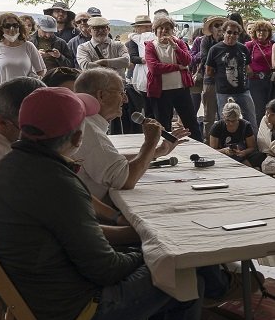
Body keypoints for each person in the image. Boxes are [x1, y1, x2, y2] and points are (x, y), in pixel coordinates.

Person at [0, 86, 243, 320]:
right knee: (182, 275)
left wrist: (142, 243)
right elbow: (107, 270)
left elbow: (76, 239)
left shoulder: (7, 169)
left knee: (157, 259)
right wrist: (156, 251)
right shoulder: (56, 181)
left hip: (28, 310)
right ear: (77, 137)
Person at [72, 68, 183, 205]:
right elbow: (125, 180)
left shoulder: (87, 123)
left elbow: (114, 161)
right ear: (101, 95)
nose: (125, 99)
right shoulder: (89, 130)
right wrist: (150, 142)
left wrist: (157, 151)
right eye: (121, 93)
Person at [0, 76, 45, 188]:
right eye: (31, 129)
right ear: (3, 122)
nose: (43, 135)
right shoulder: (4, 164)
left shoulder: (5, 134)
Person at [145, 17, 203, 142]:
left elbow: (187, 60)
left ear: (172, 30)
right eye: (161, 28)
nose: (164, 31)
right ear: (155, 30)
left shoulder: (180, 43)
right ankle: (164, 149)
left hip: (181, 89)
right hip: (161, 92)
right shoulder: (150, 46)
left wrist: (175, 47)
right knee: (163, 124)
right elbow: (154, 68)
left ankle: (198, 146)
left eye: (168, 28)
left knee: (191, 122)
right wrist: (177, 67)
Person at [205, 19, 257, 129]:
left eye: (235, 33)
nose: (232, 35)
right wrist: (222, 77)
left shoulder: (243, 48)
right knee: (225, 121)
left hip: (243, 91)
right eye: (229, 32)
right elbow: (209, 71)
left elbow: (247, 67)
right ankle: (225, 145)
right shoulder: (215, 49)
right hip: (224, 92)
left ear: (238, 35)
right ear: (224, 32)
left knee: (251, 120)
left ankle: (253, 144)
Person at [0, 12, 45, 101]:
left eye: (15, 25)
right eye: (7, 26)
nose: (12, 29)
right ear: (0, 28)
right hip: (1, 97)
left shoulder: (28, 46)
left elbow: (41, 71)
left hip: (24, 96)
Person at [209, 98, 258, 164]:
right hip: (223, 158)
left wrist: (243, 152)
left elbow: (252, 147)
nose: (231, 123)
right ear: (223, 116)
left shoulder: (246, 125)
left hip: (242, 156)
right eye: (228, 120)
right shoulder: (217, 126)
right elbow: (212, 151)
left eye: (233, 121)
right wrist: (224, 151)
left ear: (238, 117)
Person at [247, 20, 275, 115]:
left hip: (271, 80)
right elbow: (242, 60)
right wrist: (248, 68)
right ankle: (259, 129)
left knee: (272, 107)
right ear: (255, 32)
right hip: (255, 81)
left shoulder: (273, 44)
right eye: (259, 30)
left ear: (269, 32)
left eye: (264, 30)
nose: (261, 33)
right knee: (259, 109)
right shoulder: (250, 45)